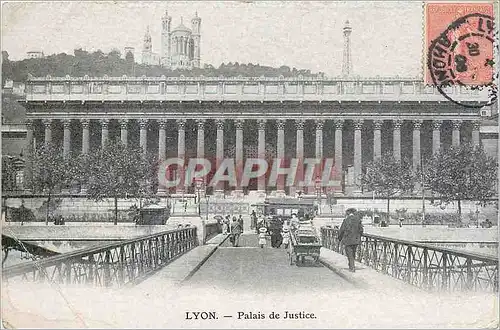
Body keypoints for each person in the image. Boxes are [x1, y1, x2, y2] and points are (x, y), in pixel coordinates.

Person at [338, 208, 363, 272]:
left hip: (348, 239)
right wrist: (358, 236)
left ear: (348, 213)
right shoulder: (358, 220)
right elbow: (361, 230)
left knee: (349, 253)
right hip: (356, 240)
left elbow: (342, 230)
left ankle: (352, 267)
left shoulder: (346, 220)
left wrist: (339, 238)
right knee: (353, 252)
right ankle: (351, 265)